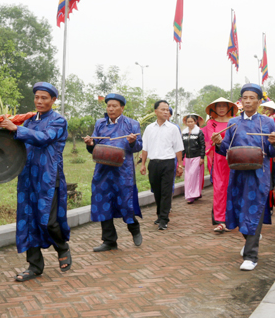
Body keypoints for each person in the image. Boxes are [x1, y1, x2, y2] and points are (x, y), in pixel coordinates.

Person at [0, 82, 71, 281]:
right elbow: (15, 143)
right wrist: (5, 130)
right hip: (27, 175)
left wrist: (16, 129)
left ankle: (62, 246)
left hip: (48, 176)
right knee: (28, 219)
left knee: (49, 221)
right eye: (37, 97)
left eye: (44, 98)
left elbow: (44, 138)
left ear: (53, 100)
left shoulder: (58, 121)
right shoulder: (28, 121)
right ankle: (34, 266)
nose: (39, 101)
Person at [211, 83, 275, 271]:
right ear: (241, 101)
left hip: (259, 173)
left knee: (254, 209)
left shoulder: (267, 122)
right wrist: (218, 144)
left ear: (259, 100)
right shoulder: (234, 122)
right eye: (245, 97)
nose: (248, 101)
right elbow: (226, 148)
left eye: (252, 98)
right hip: (238, 173)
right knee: (240, 210)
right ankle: (251, 238)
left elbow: (274, 151)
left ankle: (251, 256)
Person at [83, 94, 143, 251]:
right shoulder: (100, 124)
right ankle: (109, 241)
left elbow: (138, 147)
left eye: (114, 106)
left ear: (122, 108)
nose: (111, 109)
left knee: (126, 203)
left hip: (123, 172)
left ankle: (134, 229)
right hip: (103, 171)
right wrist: (90, 144)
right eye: (108, 106)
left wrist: (132, 142)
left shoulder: (132, 124)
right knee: (103, 204)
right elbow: (94, 148)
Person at [140, 100, 184, 230]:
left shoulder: (173, 128)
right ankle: (159, 215)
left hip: (168, 163)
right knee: (157, 191)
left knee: (166, 192)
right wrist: (143, 164)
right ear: (155, 112)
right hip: (153, 164)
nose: (166, 112)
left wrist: (180, 165)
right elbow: (145, 148)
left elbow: (178, 148)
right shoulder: (149, 128)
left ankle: (164, 219)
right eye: (163, 109)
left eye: (167, 109)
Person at [202, 97, 237, 233]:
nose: (221, 108)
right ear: (214, 109)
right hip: (219, 160)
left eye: (224, 106)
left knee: (233, 187)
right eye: (218, 106)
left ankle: (233, 218)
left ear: (229, 108)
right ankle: (221, 220)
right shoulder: (212, 123)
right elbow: (213, 138)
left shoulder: (234, 122)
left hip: (233, 159)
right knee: (220, 188)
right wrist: (220, 141)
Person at [181, 114, 205, 204]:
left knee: (193, 175)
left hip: (197, 157)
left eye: (192, 121)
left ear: (195, 122)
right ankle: (194, 194)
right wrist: (181, 158)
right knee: (188, 177)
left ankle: (191, 196)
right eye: (188, 122)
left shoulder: (199, 132)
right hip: (188, 158)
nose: (190, 123)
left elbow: (202, 145)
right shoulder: (184, 132)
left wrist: (202, 157)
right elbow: (183, 146)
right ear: (186, 123)